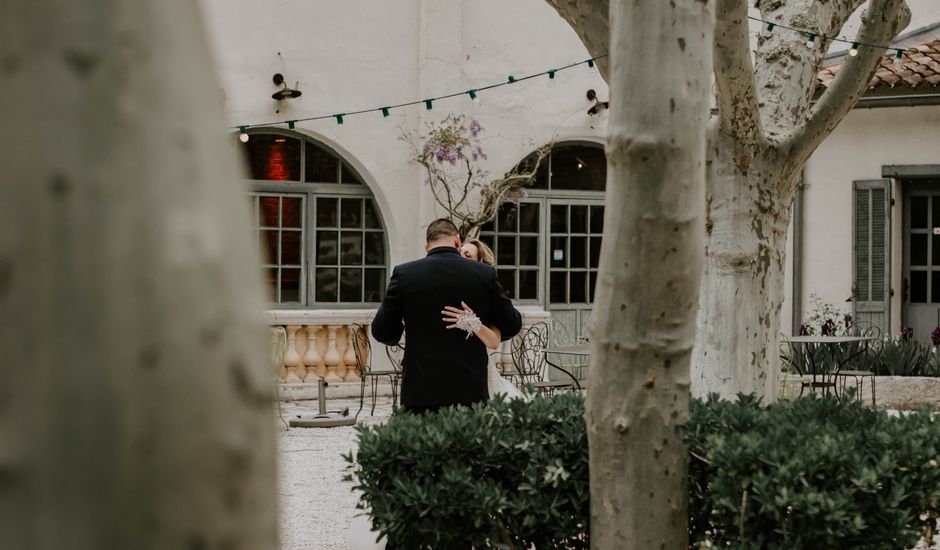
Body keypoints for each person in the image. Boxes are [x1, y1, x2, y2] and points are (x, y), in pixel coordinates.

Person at [371, 219, 522, 414]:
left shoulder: (404, 274)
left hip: (420, 388)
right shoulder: (484, 274)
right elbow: (512, 323)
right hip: (469, 387)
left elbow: (381, 331)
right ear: (457, 241)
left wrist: (401, 328)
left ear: (427, 247)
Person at [444, 239, 523, 399]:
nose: (461, 257)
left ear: (479, 264)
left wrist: (471, 321)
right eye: (459, 253)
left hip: (476, 374)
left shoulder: (485, 297)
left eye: (468, 255)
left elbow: (494, 342)